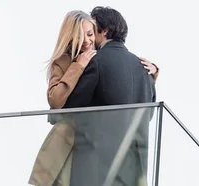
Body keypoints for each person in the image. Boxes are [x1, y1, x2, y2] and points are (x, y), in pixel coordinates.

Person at [28, 10, 159, 186]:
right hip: (110, 158)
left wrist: (154, 73)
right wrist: (77, 66)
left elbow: (70, 108)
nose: (88, 40)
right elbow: (58, 104)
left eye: (91, 33)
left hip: (95, 157)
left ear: (102, 31)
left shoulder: (98, 61)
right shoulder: (66, 60)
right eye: (81, 36)